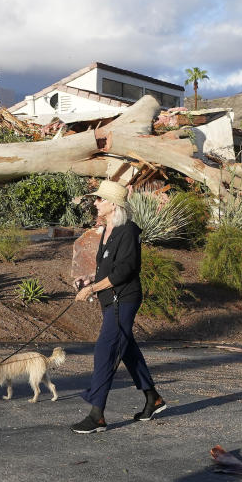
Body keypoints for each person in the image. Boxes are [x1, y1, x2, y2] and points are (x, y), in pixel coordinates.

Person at [71, 180, 165, 434]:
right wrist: (90, 279)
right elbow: (109, 267)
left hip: (123, 299)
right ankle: (152, 398)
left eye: (100, 199)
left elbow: (125, 271)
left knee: (106, 349)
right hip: (109, 299)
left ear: (113, 204)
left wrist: (92, 289)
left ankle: (97, 415)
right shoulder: (108, 229)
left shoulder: (128, 231)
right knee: (127, 349)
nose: (96, 202)